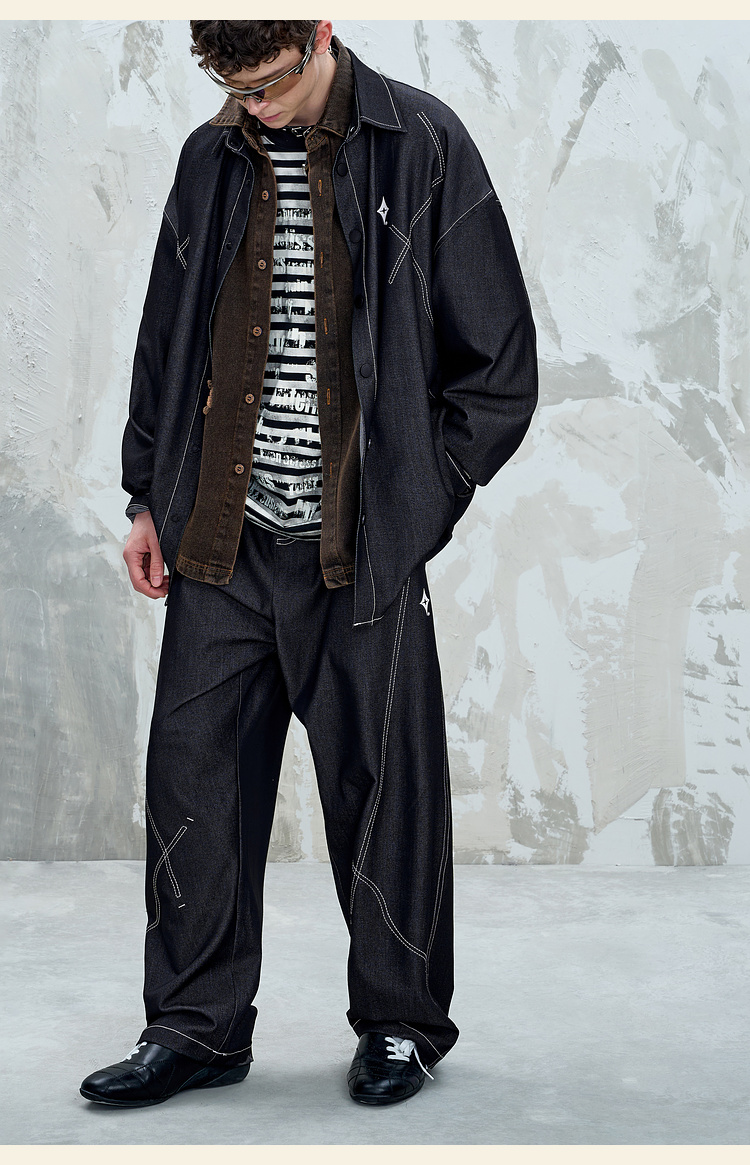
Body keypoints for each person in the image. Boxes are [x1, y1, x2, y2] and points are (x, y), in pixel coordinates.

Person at [80, 18, 538, 1110]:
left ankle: (400, 1024)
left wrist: (418, 502)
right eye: (233, 86)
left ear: (321, 33)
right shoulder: (212, 156)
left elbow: (499, 365)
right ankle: (193, 1027)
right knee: (192, 783)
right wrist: (146, 493)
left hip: (361, 548)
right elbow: (164, 335)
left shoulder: (422, 143)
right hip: (219, 540)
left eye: (273, 82)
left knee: (386, 794)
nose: (257, 106)